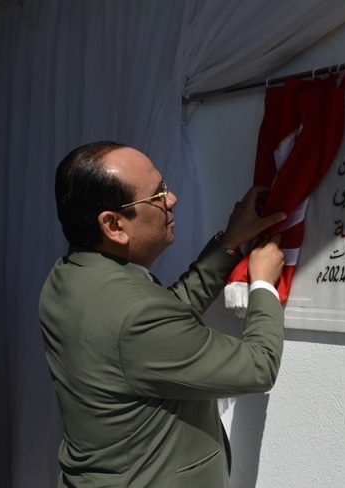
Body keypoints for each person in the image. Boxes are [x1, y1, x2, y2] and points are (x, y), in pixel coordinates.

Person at [39, 141, 287, 487]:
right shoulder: (136, 315)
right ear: (113, 225)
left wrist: (228, 244)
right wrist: (263, 284)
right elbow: (258, 367)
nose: (171, 200)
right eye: (157, 195)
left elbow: (161, 330)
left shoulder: (67, 276)